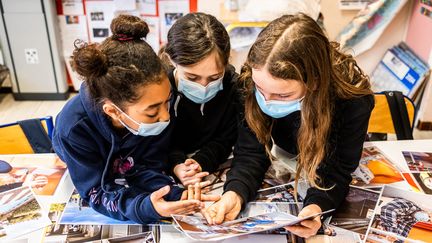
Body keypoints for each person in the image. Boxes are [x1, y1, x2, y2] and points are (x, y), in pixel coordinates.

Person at [204, 13, 374, 238]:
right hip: (288, 154)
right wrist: (234, 193)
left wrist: (316, 208)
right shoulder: (251, 82)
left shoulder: (351, 101)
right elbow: (250, 152)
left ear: (313, 82)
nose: (266, 100)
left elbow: (336, 171)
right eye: (260, 89)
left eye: (282, 95)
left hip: (322, 157)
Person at [53, 15, 217, 224]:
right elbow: (95, 192)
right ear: (113, 112)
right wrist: (146, 207)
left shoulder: (156, 99)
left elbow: (148, 164)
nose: (166, 116)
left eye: (167, 102)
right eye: (152, 112)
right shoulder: (73, 129)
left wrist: (177, 195)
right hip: (82, 159)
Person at [159, 12, 239, 186]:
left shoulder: (234, 88)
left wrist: (200, 162)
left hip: (209, 159)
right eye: (192, 78)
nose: (203, 86)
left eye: (214, 77)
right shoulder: (158, 90)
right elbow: (158, 141)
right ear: (171, 60)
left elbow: (226, 138)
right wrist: (177, 165)